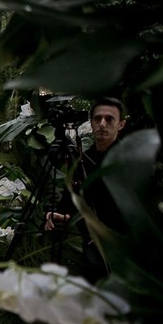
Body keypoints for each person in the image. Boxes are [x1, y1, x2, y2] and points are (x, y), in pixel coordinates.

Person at [44, 97, 127, 280]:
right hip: (92, 253)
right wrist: (62, 214)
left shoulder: (129, 160)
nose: (102, 124)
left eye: (109, 119)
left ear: (121, 124)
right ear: (91, 123)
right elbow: (72, 197)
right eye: (97, 119)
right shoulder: (82, 159)